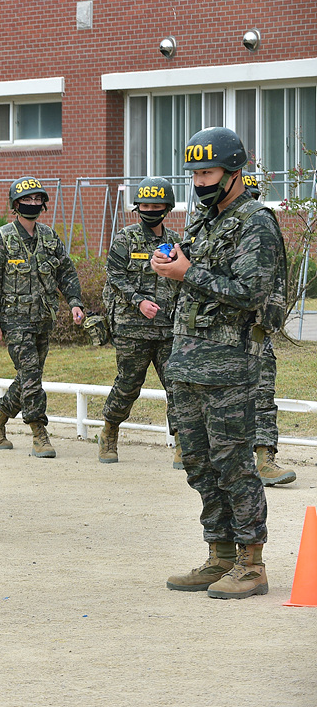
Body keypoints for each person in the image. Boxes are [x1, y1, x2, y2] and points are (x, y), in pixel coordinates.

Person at [154, 127, 287, 599]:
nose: (200, 181)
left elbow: (251, 292)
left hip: (230, 363)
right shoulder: (203, 223)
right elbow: (194, 283)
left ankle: (252, 563)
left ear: (235, 172)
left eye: (208, 172)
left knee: (233, 463)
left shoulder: (256, 222)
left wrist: (189, 272)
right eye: (194, 173)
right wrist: (170, 266)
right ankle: (220, 555)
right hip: (188, 361)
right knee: (198, 464)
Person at [0, 177, 84, 457]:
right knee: (31, 377)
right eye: (27, 200)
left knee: (29, 377)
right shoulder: (2, 238)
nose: (33, 204)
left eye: (38, 200)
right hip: (14, 322)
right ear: (16, 204)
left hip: (42, 320)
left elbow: (66, 272)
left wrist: (75, 302)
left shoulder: (49, 237)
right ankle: (39, 432)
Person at [98, 177, 181, 466]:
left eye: (157, 205)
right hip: (131, 328)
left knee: (178, 385)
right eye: (145, 205)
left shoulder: (175, 242)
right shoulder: (125, 238)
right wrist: (138, 301)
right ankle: (109, 432)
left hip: (167, 328)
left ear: (167, 207)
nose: (150, 210)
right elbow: (115, 276)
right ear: (137, 207)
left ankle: (183, 443)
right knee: (129, 384)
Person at [242, 172, 296, 486]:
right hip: (218, 332)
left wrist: (270, 320)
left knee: (263, 393)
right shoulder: (209, 226)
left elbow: (276, 275)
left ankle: (264, 459)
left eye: (253, 197)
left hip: (256, 329)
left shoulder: (265, 224)